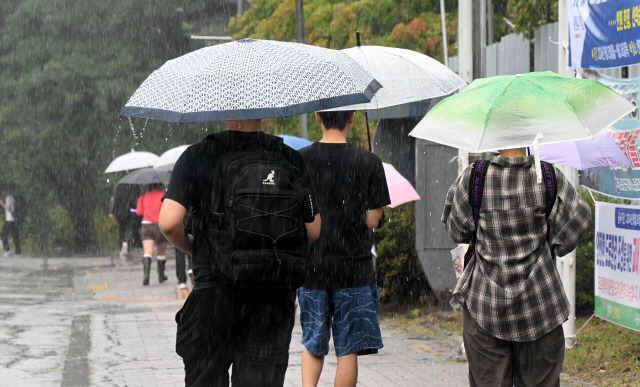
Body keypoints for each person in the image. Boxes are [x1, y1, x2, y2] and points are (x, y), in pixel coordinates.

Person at [158, 119, 321, 387]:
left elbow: (168, 222)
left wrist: (196, 247)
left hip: (213, 294)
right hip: (272, 297)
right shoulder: (288, 157)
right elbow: (312, 230)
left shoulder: (198, 155)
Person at [442, 148, 592, 387]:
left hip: (485, 307)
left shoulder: (475, 177)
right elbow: (579, 217)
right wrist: (551, 241)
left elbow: (456, 229)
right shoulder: (547, 176)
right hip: (541, 306)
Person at [297, 111, 390, 387]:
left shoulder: (301, 160)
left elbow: (298, 216)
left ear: (317, 117)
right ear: (351, 118)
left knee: (313, 343)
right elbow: (373, 220)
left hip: (313, 268)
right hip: (354, 269)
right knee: (347, 349)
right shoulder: (369, 162)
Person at [136, 184, 168, 286]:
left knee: (148, 251)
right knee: (161, 251)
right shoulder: (163, 195)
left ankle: (146, 276)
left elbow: (139, 212)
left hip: (146, 226)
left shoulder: (144, 196)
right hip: (160, 226)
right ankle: (161, 275)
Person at [109, 184, 140, 257]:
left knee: (121, 228)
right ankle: (126, 242)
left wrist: (112, 211)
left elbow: (113, 199)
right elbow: (135, 199)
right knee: (129, 228)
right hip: (129, 211)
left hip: (119, 212)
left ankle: (122, 244)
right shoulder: (134, 186)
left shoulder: (118, 186)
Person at [0, 191, 21, 257]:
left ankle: (7, 251)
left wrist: (1, 203)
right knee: (15, 236)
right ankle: (18, 253)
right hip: (14, 220)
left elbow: (8, 208)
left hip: (10, 220)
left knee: (2, 234)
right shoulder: (12, 197)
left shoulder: (8, 197)